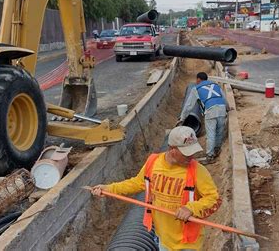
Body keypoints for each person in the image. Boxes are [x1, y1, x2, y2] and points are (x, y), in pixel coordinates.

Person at [91, 126, 221, 251]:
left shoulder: (198, 170)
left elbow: (214, 199)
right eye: (186, 153)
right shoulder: (153, 163)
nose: (191, 157)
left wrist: (191, 208)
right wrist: (109, 188)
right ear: (172, 149)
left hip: (188, 242)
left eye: (192, 151)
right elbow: (136, 183)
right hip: (163, 238)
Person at [178, 72, 229, 164]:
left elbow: (189, 105)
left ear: (198, 79)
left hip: (210, 110)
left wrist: (182, 118)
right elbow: (223, 98)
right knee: (219, 130)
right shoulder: (215, 85)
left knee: (211, 134)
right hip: (222, 109)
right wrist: (228, 108)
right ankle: (217, 150)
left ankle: (210, 156)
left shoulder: (196, 88)